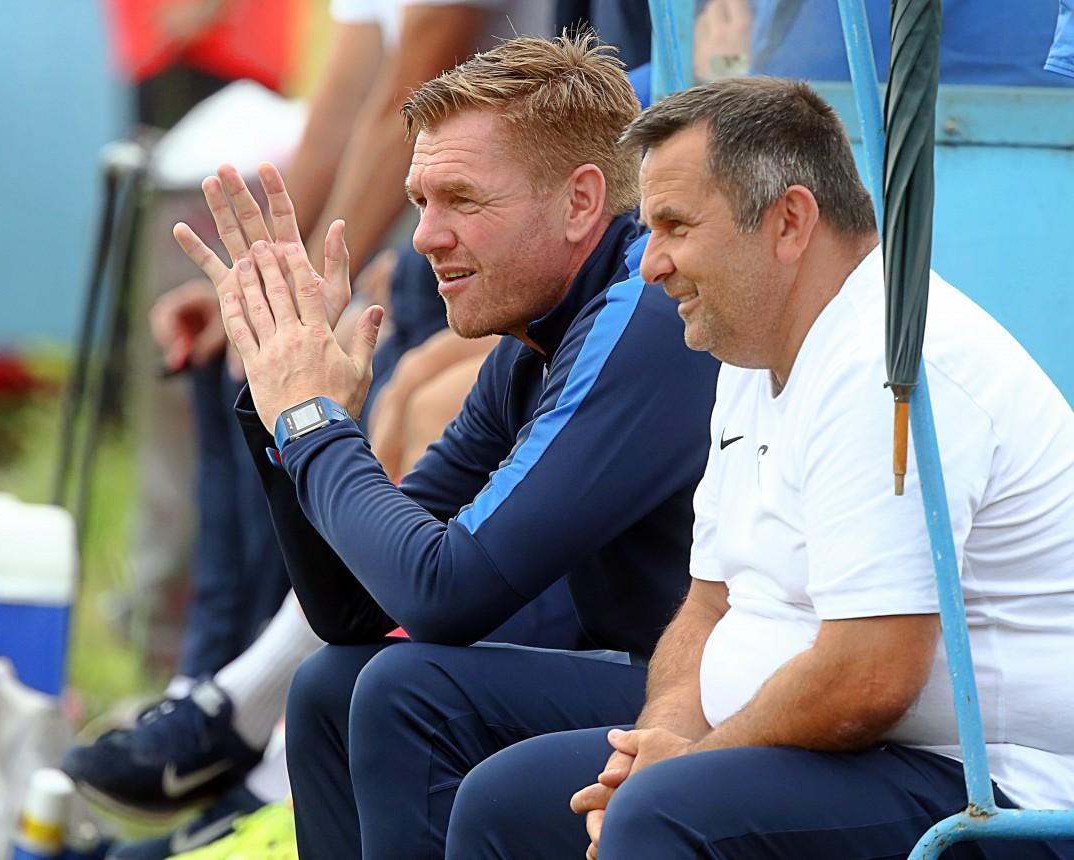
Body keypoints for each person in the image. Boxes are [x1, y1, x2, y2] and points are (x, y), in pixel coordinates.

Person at [441, 76, 1074, 859]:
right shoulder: (751, 348)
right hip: (846, 754)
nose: (649, 264)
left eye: (675, 226)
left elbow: (870, 676)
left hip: (992, 787)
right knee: (505, 802)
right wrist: (661, 739)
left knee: (659, 815)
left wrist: (687, 766)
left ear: (789, 222)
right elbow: (708, 606)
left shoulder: (889, 366)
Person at [170, 33, 719, 859]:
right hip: (661, 677)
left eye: (460, 199)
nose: (424, 236)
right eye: (419, 201)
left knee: (407, 692)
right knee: (333, 685)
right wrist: (291, 413)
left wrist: (315, 426)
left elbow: (447, 590)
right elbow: (355, 609)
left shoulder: (639, 312)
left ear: (580, 202)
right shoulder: (534, 337)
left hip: (744, 698)